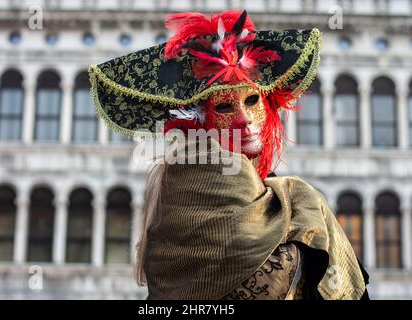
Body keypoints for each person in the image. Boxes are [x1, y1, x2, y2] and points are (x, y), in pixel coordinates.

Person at [89, 9, 369, 300]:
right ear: (199, 122)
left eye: (252, 101)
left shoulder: (283, 200)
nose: (244, 119)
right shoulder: (295, 204)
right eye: (224, 107)